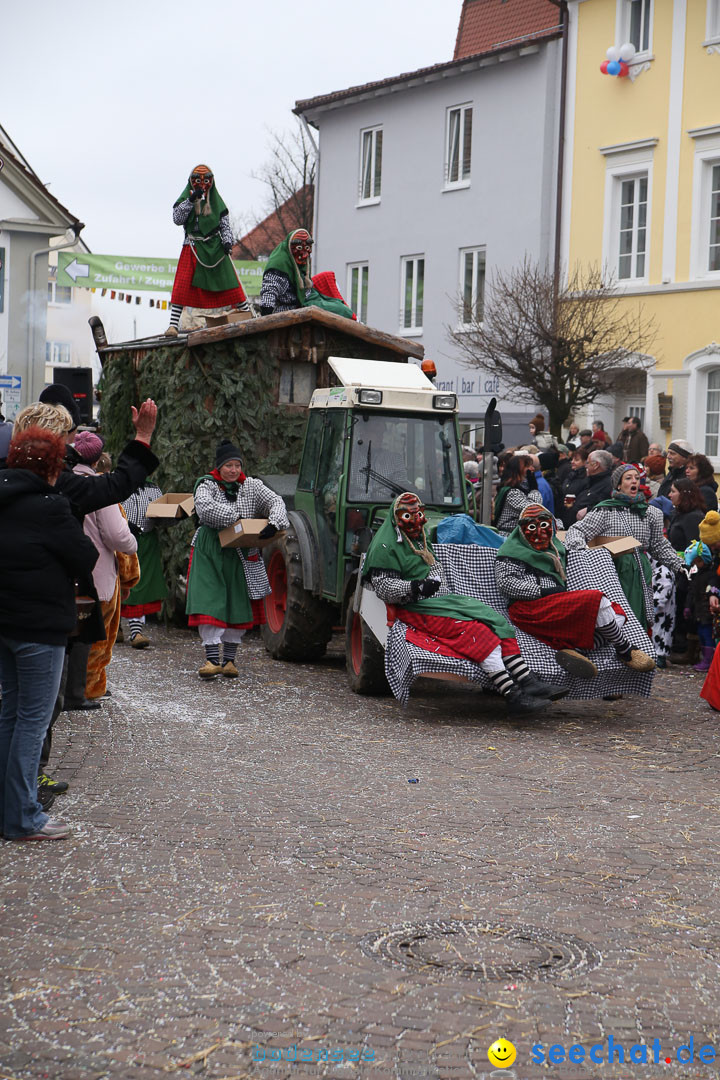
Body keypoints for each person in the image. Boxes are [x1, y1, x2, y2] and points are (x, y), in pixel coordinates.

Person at [363, 492, 566, 714]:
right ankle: (512, 694)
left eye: (418, 514)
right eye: (407, 516)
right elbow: (383, 586)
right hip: (414, 607)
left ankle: (526, 680)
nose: (415, 520)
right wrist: (414, 588)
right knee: (477, 631)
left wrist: (434, 580)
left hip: (441, 599)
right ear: (396, 517)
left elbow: (434, 565)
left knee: (496, 620)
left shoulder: (419, 538)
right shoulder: (385, 546)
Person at [0, 427, 98, 840]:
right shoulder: (50, 505)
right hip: (40, 629)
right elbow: (86, 555)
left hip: (3, 623)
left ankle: (7, 812)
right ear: (53, 468)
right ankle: (23, 816)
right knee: (32, 722)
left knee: (9, 714)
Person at [495, 504, 654, 675]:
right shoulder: (512, 552)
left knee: (617, 614)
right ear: (522, 530)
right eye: (531, 527)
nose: (539, 532)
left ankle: (578, 650)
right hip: (529, 608)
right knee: (596, 600)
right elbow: (506, 582)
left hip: (553, 603)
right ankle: (624, 648)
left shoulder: (556, 549)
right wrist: (542, 591)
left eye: (544, 526)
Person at [186, 439, 289, 678]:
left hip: (242, 551)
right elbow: (204, 507)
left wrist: (274, 523)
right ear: (219, 466)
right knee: (210, 598)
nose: (233, 470)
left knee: (237, 600)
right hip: (211, 548)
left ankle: (230, 660)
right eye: (228, 465)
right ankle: (212, 660)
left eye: (237, 465)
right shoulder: (207, 484)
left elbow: (276, 501)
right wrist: (237, 519)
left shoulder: (251, 486)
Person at [565, 464, 684, 630]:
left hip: (640, 571)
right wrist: (583, 553)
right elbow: (577, 531)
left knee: (637, 617)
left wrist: (679, 564)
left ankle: (638, 652)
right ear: (618, 484)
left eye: (636, 478)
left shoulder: (651, 513)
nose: (634, 481)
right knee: (616, 617)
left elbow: (659, 545)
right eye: (628, 478)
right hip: (613, 570)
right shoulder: (605, 510)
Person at [72, 431, 138, 701]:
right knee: (95, 638)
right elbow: (116, 535)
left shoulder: (61, 479)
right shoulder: (99, 486)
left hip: (66, 572)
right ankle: (87, 689)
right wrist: (133, 540)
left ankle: (69, 690)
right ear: (98, 460)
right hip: (98, 575)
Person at [166, 164, 250, 336]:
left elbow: (225, 226)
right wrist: (191, 201)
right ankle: (173, 325)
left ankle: (248, 314)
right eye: (198, 180)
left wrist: (227, 242)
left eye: (206, 180)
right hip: (192, 246)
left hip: (215, 248)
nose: (202, 184)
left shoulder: (218, 202)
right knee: (182, 286)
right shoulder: (186, 199)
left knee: (231, 283)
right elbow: (177, 218)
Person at [257, 229, 354, 319]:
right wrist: (266, 317)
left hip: (307, 302)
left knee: (340, 306)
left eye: (307, 248)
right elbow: (269, 293)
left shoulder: (301, 263)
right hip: (289, 309)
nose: (304, 255)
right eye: (299, 248)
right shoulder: (279, 265)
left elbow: (307, 291)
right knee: (341, 310)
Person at [120, 480, 168, 647]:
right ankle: (115, 626)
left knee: (141, 584)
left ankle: (136, 631)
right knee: (120, 581)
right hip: (121, 539)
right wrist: (125, 525)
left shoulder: (153, 489)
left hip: (147, 542)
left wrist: (175, 516)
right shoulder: (118, 484)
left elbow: (162, 517)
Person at [648, 495, 676, 669]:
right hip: (655, 593)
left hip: (661, 606)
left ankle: (660, 655)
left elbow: (665, 582)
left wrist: (655, 604)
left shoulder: (663, 569)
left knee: (662, 631)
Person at [492, 455, 545, 535]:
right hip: (508, 537)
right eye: (528, 466)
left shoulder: (519, 488)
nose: (532, 469)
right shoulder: (512, 493)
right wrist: (534, 489)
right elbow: (533, 508)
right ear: (518, 470)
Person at [572, 449, 614, 522]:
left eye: (588, 463)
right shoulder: (591, 481)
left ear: (596, 465)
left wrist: (589, 509)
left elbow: (608, 507)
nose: (585, 466)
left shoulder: (609, 484)